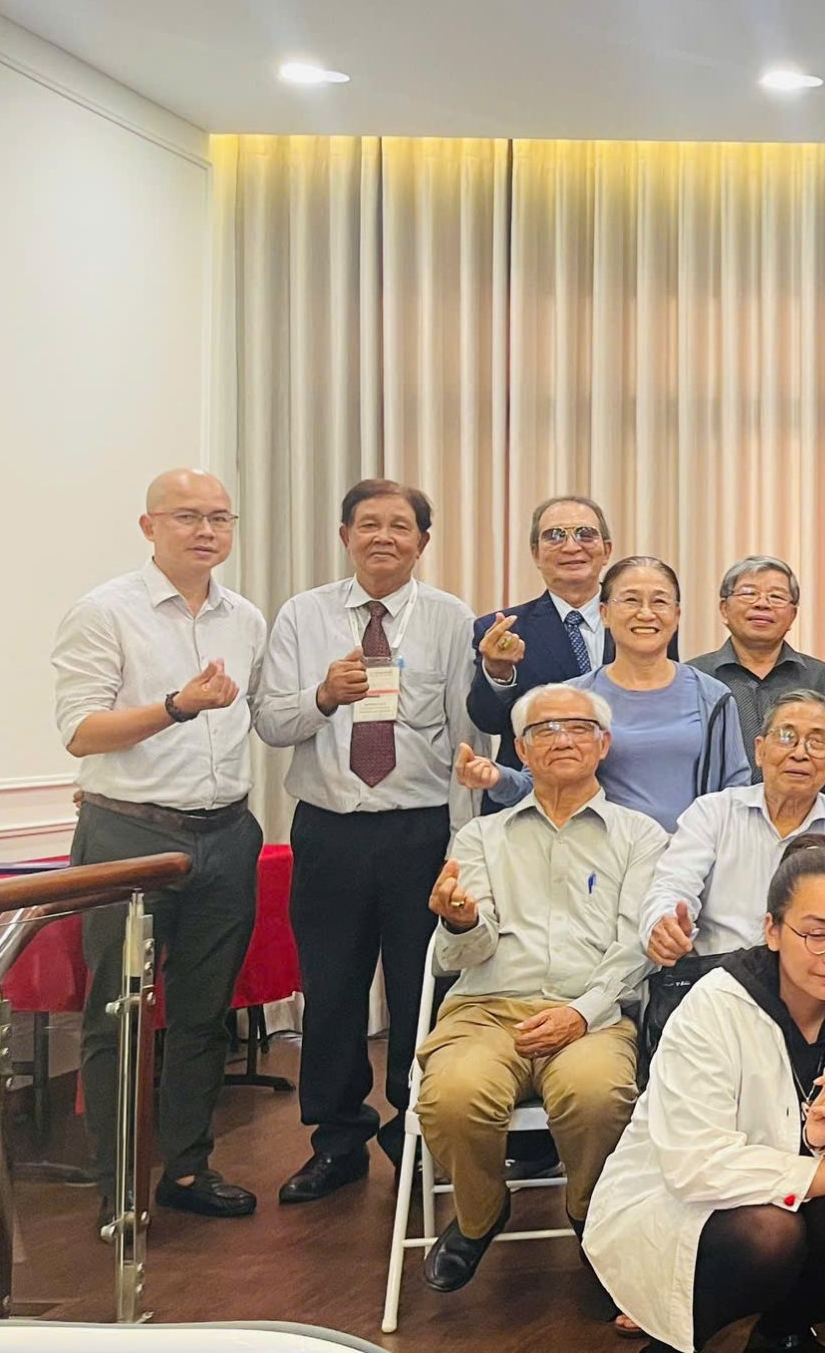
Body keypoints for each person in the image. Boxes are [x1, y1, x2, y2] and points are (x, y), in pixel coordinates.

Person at [587, 836, 825, 1353]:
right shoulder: (715, 1005)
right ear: (772, 930)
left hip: (792, 1190)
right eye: (817, 936)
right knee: (769, 1235)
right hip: (686, 1201)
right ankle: (676, 1342)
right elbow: (696, 1163)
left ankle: (783, 1334)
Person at [251, 478, 478, 1204]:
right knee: (332, 990)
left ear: (423, 542)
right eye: (369, 524)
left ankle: (415, 1134)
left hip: (420, 832)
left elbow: (467, 739)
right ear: (345, 536)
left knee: (422, 991)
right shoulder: (303, 614)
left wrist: (462, 844)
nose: (384, 537)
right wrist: (323, 697)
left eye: (400, 526)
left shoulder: (450, 619)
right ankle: (337, 1139)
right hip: (329, 831)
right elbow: (271, 722)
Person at [50, 468, 268, 1220]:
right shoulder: (104, 612)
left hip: (226, 832)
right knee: (117, 1014)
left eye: (219, 518)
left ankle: (186, 1169)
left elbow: (264, 716)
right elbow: (81, 730)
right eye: (186, 516)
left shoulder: (245, 617)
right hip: (129, 832)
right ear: (149, 527)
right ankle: (117, 1184)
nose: (206, 531)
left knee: (205, 1015)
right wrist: (177, 706)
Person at [417, 684, 665, 1297]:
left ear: (603, 745)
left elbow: (636, 946)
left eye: (579, 728)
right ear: (521, 752)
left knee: (599, 1096)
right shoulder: (481, 836)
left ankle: (589, 1215)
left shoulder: (641, 836)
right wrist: (461, 922)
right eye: (544, 730)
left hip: (591, 1016)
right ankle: (479, 1215)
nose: (563, 740)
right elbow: (463, 954)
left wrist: (580, 1014)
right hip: (486, 1010)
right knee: (452, 1095)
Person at [455, 556, 749, 832]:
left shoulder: (712, 695)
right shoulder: (573, 696)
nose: (645, 613)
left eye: (659, 601)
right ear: (604, 613)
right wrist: (495, 777)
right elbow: (537, 786)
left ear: (677, 615)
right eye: (631, 600)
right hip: (596, 855)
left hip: (689, 857)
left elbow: (735, 789)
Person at [643, 690, 825, 966]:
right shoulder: (713, 812)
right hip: (716, 975)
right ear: (760, 750)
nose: (800, 753)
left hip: (816, 977)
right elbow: (673, 885)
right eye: (786, 737)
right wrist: (665, 924)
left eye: (816, 742)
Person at [467, 495, 618, 807]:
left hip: (623, 795)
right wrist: (498, 671)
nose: (572, 546)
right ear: (535, 553)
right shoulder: (503, 630)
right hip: (533, 800)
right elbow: (489, 721)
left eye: (585, 534)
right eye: (555, 536)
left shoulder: (640, 622)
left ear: (607, 550)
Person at [687, 555, 825, 792]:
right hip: (717, 811)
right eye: (749, 593)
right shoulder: (694, 677)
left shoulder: (823, 678)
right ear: (724, 609)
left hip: (804, 810)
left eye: (776, 597)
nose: (762, 604)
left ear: (793, 615)